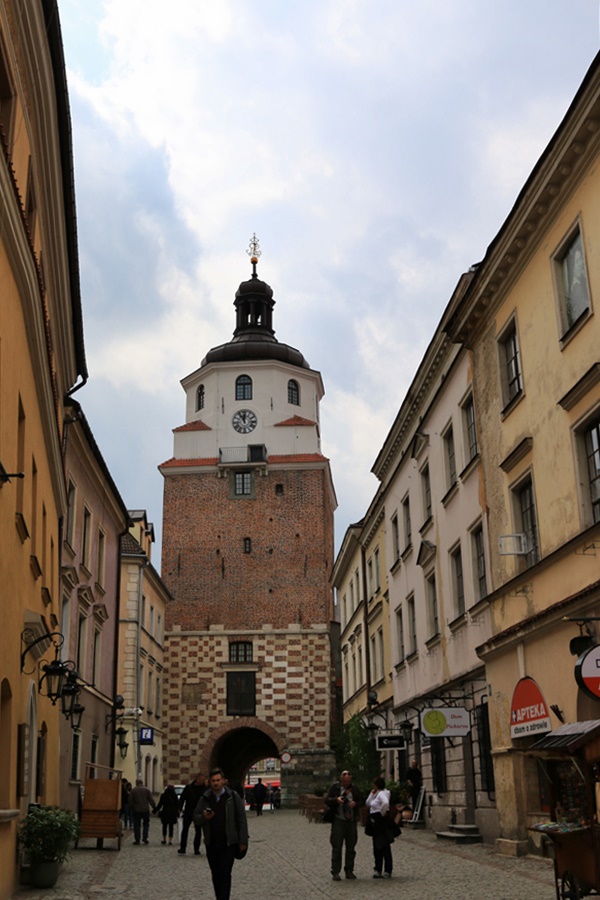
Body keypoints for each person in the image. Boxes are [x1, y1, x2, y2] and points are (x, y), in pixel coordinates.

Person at [195, 767, 248, 900]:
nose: (216, 783)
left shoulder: (233, 797)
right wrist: (204, 818)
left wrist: (243, 841)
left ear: (223, 781)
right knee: (216, 874)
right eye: (213, 781)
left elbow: (241, 819)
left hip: (229, 843)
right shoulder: (205, 798)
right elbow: (195, 817)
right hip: (211, 843)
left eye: (218, 780)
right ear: (210, 782)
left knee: (225, 873)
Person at [325, 768, 363, 881]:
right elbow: (327, 800)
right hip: (338, 820)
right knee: (337, 847)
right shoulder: (334, 788)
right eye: (344, 779)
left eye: (348, 780)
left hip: (351, 821)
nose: (346, 782)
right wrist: (336, 800)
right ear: (341, 779)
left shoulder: (354, 788)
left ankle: (349, 870)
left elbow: (361, 801)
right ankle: (335, 871)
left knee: (351, 847)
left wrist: (355, 804)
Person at [366, 776, 393, 879]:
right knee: (378, 845)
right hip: (376, 821)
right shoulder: (377, 793)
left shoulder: (382, 794)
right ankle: (379, 869)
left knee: (383, 845)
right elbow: (368, 803)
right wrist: (371, 794)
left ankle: (385, 869)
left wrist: (382, 813)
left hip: (380, 821)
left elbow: (386, 803)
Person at [178, 773, 205, 854]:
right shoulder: (189, 788)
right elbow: (182, 798)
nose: (203, 781)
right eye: (202, 779)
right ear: (197, 779)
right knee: (185, 830)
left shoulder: (204, 789)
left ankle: (196, 849)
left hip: (199, 813)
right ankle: (183, 848)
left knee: (198, 831)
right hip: (188, 811)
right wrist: (179, 807)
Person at [129, 778, 157, 845]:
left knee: (136, 825)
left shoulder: (133, 790)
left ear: (136, 783)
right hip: (145, 810)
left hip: (136, 810)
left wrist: (131, 808)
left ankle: (137, 839)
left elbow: (130, 800)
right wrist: (154, 808)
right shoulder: (147, 790)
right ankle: (145, 838)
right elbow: (151, 800)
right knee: (146, 824)